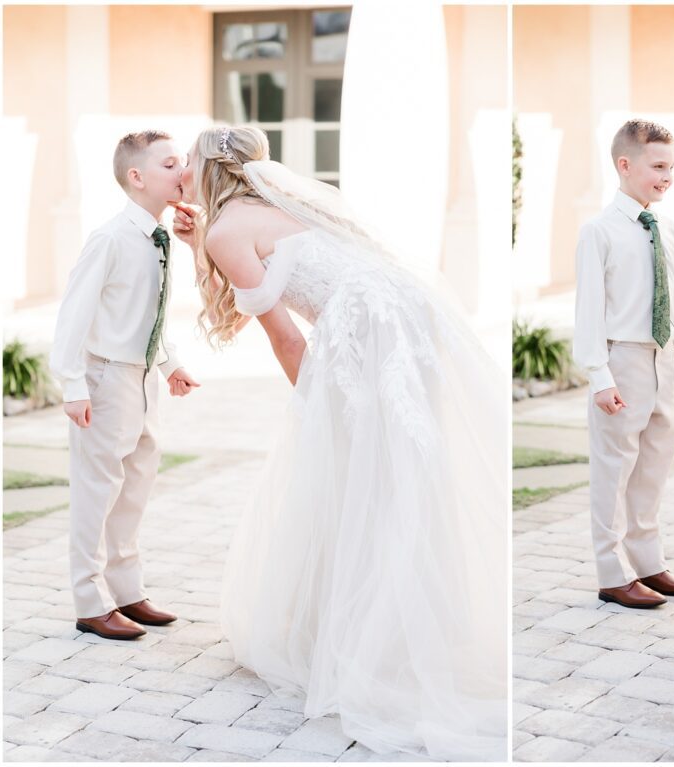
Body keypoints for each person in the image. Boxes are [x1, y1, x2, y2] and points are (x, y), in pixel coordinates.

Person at [172, 125, 506, 761]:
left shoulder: (225, 229)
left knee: (356, 472)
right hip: (405, 315)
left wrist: (314, 408)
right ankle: (415, 625)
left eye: (185, 159)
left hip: (365, 330)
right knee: (405, 466)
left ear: (208, 170)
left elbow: (285, 338)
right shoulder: (285, 206)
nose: (181, 169)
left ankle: (369, 637)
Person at [50, 130, 200, 641]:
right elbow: (75, 314)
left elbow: (145, 313)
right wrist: (73, 384)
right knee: (98, 490)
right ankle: (90, 602)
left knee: (135, 485)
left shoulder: (158, 238)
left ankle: (128, 589)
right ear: (136, 177)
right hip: (105, 377)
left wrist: (168, 363)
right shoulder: (111, 238)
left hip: (140, 380)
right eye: (170, 164)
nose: (182, 173)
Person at [573, 118, 674, 609]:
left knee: (654, 464)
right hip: (623, 359)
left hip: (662, 363)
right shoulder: (599, 232)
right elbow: (588, 309)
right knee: (614, 469)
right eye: (658, 166)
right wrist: (599, 376)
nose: (667, 176)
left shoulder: (666, 228)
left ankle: (649, 561)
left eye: (672, 167)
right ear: (625, 164)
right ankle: (612, 573)